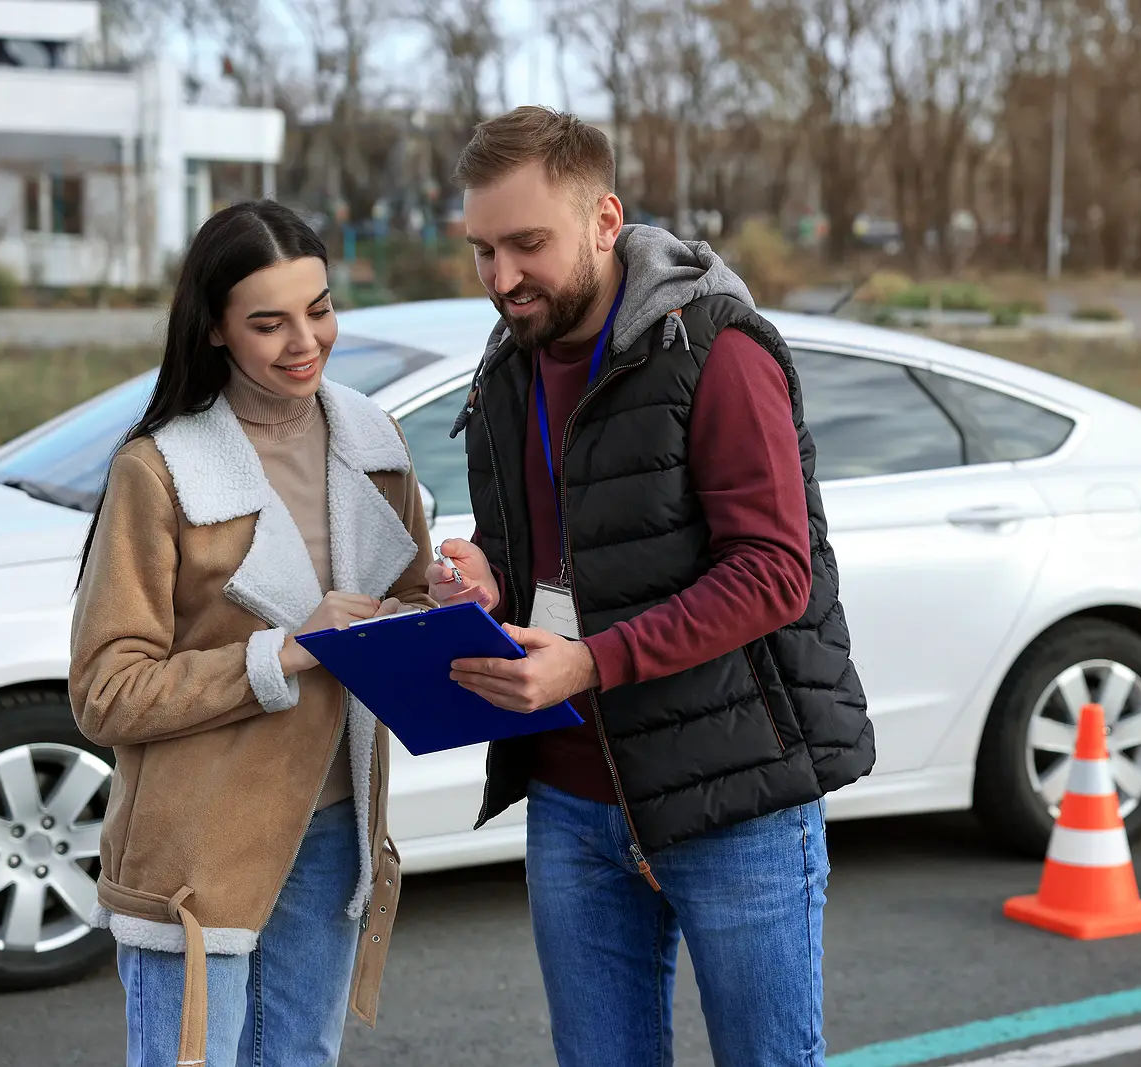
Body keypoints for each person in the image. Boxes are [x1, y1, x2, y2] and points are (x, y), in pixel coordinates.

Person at [427, 105, 875, 1066]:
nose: (502, 278)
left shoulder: (713, 347)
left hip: (734, 800)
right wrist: (482, 577)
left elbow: (773, 573)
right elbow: (545, 551)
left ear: (604, 219)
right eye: (482, 250)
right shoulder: (505, 367)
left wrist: (590, 662)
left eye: (527, 244)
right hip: (573, 797)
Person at [69, 200, 432, 1067]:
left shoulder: (373, 441)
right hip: (197, 849)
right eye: (268, 322)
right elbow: (104, 691)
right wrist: (283, 650)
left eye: (319, 308)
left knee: (301, 1057)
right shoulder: (159, 470)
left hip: (338, 821)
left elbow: (410, 599)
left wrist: (437, 607)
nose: (305, 340)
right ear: (219, 330)